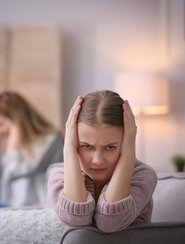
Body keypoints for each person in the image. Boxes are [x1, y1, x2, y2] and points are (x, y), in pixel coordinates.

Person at [48, 90, 157, 233]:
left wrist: (128, 153)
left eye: (110, 147)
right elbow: (75, 220)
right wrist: (68, 148)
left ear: (126, 141)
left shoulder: (143, 176)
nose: (98, 160)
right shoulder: (59, 177)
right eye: (86, 146)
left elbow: (110, 223)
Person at [0, 91, 64, 208]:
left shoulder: (50, 141)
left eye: (1, 124)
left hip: (34, 208)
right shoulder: (9, 142)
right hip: (10, 207)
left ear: (16, 121)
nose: (0, 131)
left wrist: (14, 138)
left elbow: (15, 171)